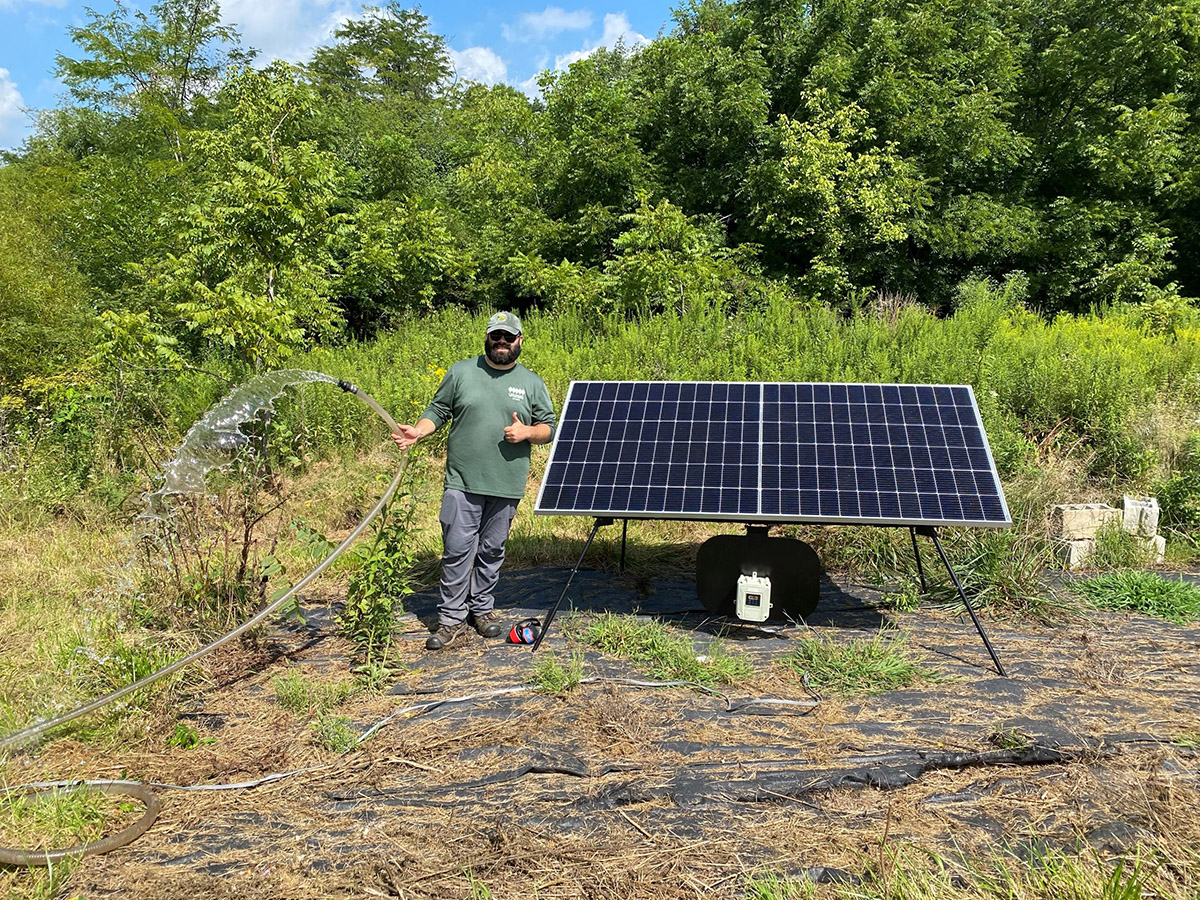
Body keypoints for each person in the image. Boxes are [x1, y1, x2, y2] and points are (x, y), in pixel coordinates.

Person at [391, 312, 557, 650]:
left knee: (491, 551)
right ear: (487, 338)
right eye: (496, 336)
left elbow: (549, 427)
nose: (502, 342)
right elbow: (438, 411)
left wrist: (527, 432)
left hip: (506, 485)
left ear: (519, 341)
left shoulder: (532, 383)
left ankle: (482, 611)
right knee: (456, 551)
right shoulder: (462, 372)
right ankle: (450, 620)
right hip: (462, 483)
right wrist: (418, 431)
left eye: (508, 337)